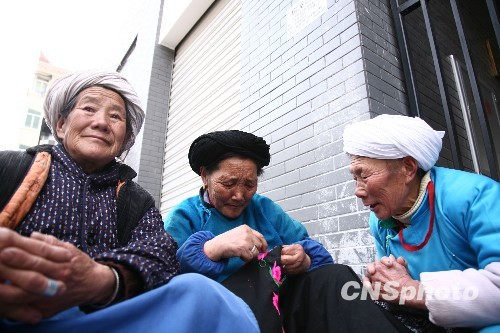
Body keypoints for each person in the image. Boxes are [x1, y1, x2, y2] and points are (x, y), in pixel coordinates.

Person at [0, 70, 259, 333]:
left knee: (202, 293)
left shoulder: (137, 201)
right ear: (60, 125)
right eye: (89, 109)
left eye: (115, 116)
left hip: (105, 319)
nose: (101, 122)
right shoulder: (10, 169)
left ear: (124, 140)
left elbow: (161, 256)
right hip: (14, 315)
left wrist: (103, 280)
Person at [164, 130, 411, 333]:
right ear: (205, 175)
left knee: (335, 277)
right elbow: (165, 281)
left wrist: (304, 259)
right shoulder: (184, 216)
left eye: (250, 184)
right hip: (224, 318)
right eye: (228, 184)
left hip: (279, 311)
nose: (240, 195)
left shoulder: (264, 209)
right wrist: (211, 249)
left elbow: (313, 250)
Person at [343, 114, 500, 332]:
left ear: (408, 167)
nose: (358, 191)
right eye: (355, 178)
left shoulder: (474, 196)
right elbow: (396, 290)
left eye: (364, 175)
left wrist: (412, 289)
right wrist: (382, 288)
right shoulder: (380, 222)